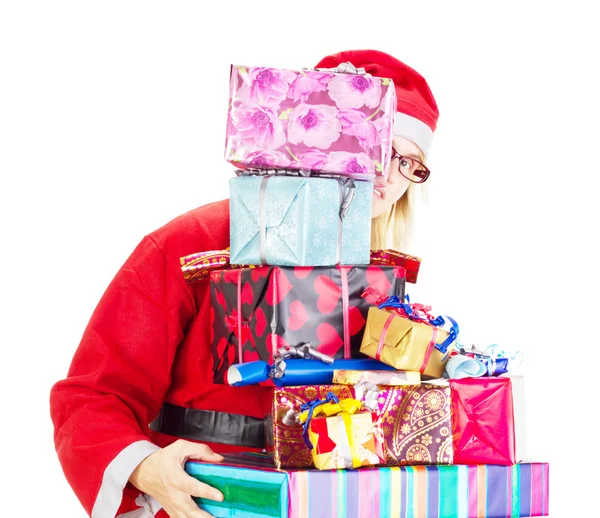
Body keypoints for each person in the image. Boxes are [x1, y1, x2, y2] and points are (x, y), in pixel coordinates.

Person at [50, 49, 439, 518]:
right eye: (377, 141)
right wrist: (147, 467)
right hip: (208, 499)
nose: (386, 170)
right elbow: (91, 396)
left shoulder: (385, 273)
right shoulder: (195, 243)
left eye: (408, 161)